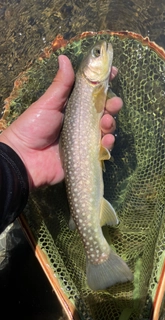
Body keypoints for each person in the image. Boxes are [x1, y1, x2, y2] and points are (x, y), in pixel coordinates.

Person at [0, 55, 122, 233]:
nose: (103, 52)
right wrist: (16, 153)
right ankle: (98, 247)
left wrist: (17, 154)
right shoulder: (88, 85)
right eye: (97, 53)